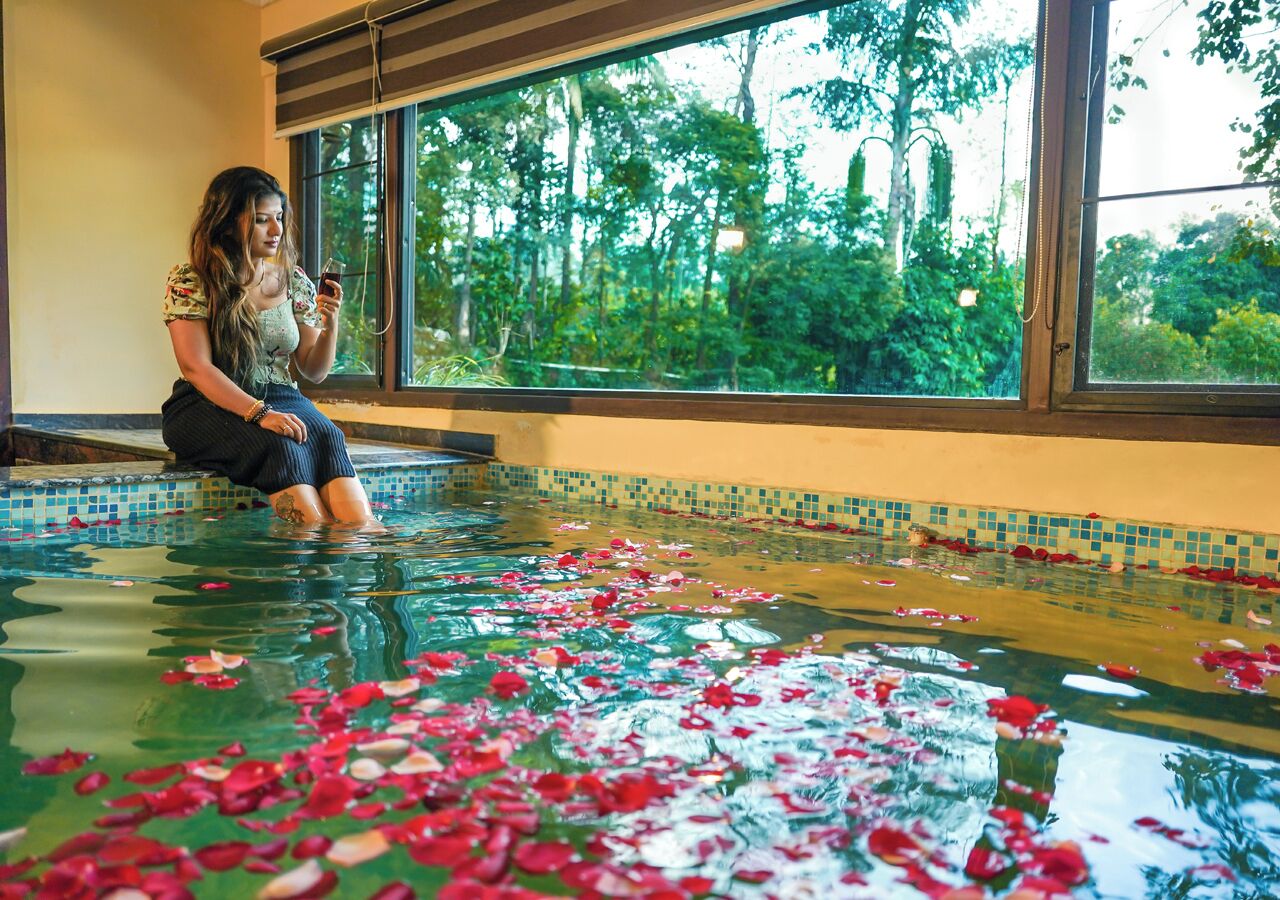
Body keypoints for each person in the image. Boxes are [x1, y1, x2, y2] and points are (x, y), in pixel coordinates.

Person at [161, 166, 377, 528]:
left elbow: (313, 370)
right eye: (262, 220)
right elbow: (196, 367)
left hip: (282, 395)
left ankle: (363, 541)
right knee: (279, 446)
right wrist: (261, 414)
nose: (277, 230)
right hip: (205, 404)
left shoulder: (295, 281)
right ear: (227, 223)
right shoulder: (192, 280)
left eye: (279, 217)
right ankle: (309, 541)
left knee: (329, 436)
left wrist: (331, 322)